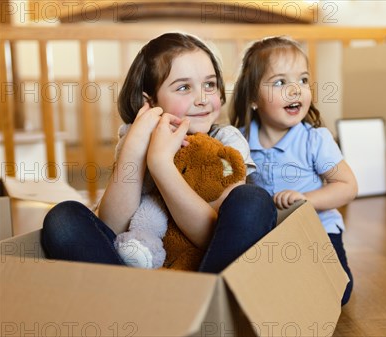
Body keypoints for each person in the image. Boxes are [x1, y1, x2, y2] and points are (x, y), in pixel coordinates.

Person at [41, 32, 277, 273]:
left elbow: (210, 236)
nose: (203, 98)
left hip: (203, 270)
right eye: (184, 87)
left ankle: (204, 301)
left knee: (254, 199)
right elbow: (112, 227)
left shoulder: (227, 143)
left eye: (210, 84)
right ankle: (125, 298)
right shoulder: (134, 138)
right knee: (63, 218)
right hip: (140, 272)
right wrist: (135, 147)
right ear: (150, 102)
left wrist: (161, 164)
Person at [229, 36, 358, 305]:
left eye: (302, 80)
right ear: (253, 97)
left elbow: (347, 186)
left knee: (338, 292)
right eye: (280, 82)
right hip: (270, 236)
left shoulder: (315, 139)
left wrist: (307, 200)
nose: (295, 90)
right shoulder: (239, 142)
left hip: (318, 230)